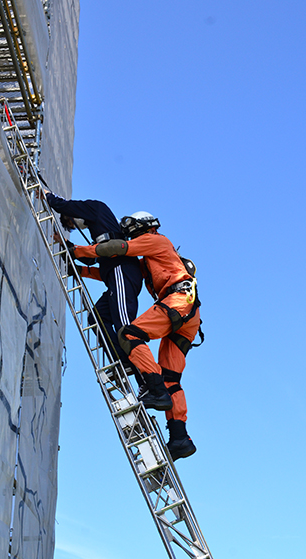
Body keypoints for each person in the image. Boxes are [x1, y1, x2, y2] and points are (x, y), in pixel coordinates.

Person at [73, 211, 202, 461]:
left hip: (177, 301)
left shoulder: (155, 240)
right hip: (190, 313)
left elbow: (117, 248)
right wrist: (80, 270)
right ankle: (179, 439)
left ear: (143, 226)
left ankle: (154, 389)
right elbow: (110, 273)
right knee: (171, 380)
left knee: (130, 334)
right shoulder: (152, 258)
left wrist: (77, 251)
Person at [45, 193, 143, 366]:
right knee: (96, 319)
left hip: (121, 269)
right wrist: (65, 245)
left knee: (124, 326)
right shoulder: (100, 232)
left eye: (71, 222)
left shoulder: (95, 208)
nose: (76, 227)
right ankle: (122, 361)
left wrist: (47, 197)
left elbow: (64, 206)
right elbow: (91, 258)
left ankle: (146, 375)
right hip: (116, 274)